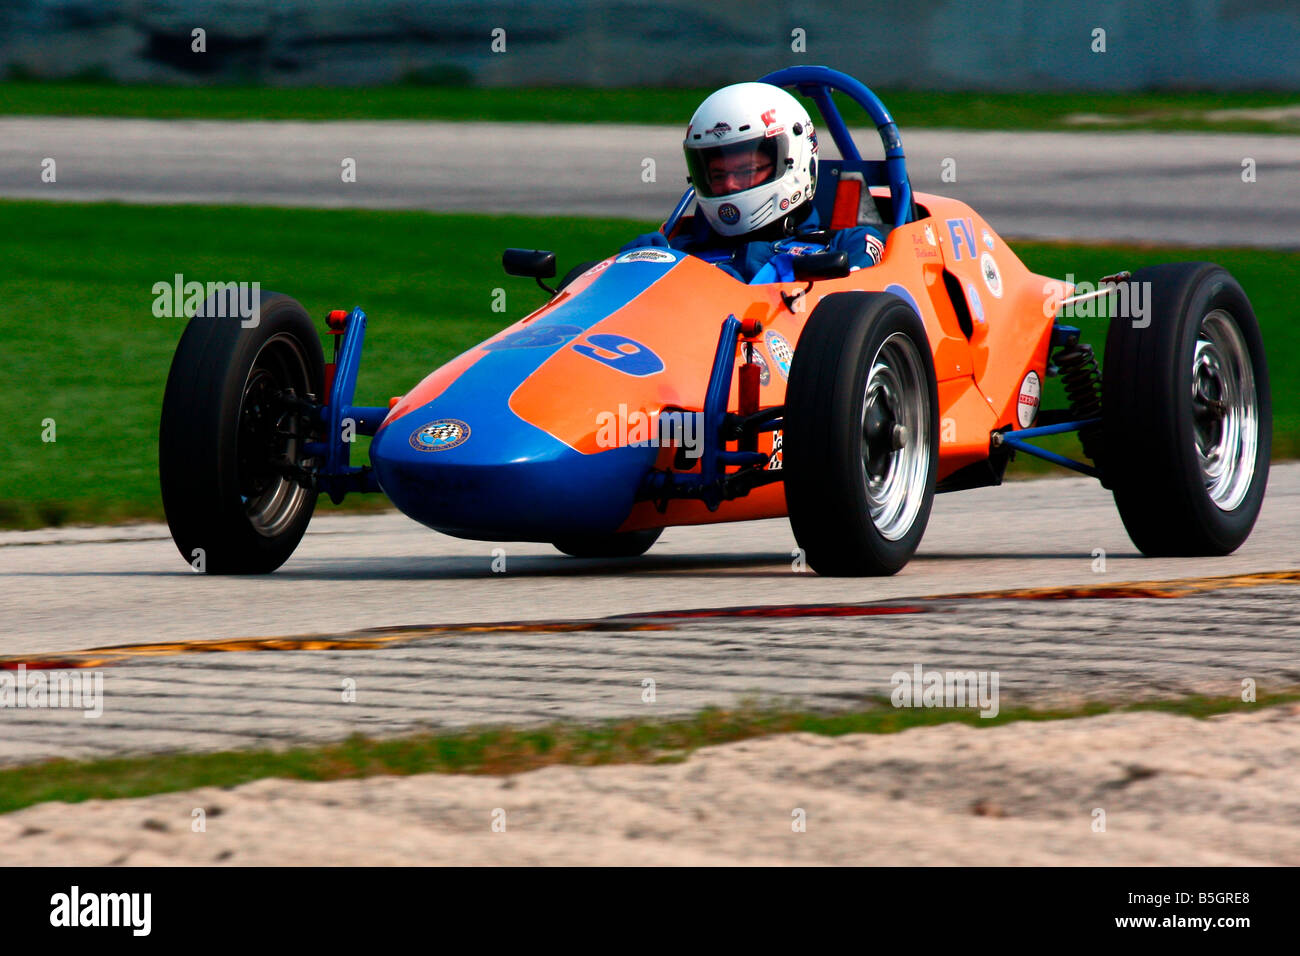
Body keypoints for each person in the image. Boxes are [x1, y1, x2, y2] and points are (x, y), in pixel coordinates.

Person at [621, 81, 888, 283]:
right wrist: (630, 268)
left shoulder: (842, 245)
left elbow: (853, 305)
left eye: (746, 170)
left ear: (795, 160)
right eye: (717, 175)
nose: (730, 186)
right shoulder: (674, 248)